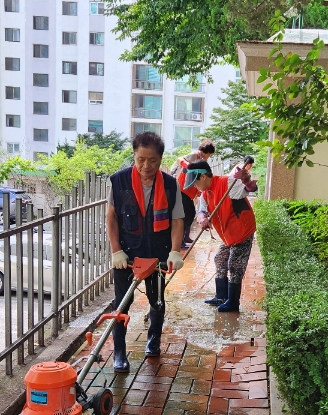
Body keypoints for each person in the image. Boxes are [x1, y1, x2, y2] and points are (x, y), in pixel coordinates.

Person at [106, 131, 184, 371]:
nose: (146, 165)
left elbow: (178, 219)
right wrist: (116, 250)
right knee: (122, 304)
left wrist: (174, 252)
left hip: (158, 254)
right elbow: (111, 217)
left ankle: (153, 340)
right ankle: (119, 352)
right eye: (141, 159)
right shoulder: (119, 182)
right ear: (134, 156)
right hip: (127, 255)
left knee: (157, 301)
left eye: (152, 160)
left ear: (160, 159)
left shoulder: (170, 185)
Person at [185, 159, 256, 312]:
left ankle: (233, 302)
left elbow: (251, 188)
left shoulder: (227, 183)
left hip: (242, 231)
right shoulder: (205, 194)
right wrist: (203, 218)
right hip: (228, 234)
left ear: (203, 177)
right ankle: (221, 296)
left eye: (195, 183)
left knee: (234, 264)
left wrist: (246, 179)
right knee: (220, 259)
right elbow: (202, 211)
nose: (195, 187)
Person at [171, 140, 216, 248]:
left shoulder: (202, 161)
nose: (209, 156)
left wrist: (199, 192)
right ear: (206, 152)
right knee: (186, 215)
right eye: (209, 154)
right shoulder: (194, 156)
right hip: (182, 189)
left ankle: (186, 236)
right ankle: (179, 240)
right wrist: (189, 166)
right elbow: (180, 159)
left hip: (191, 192)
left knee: (190, 215)